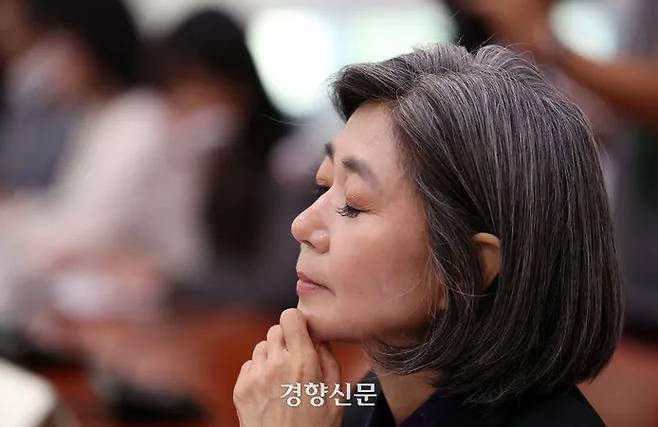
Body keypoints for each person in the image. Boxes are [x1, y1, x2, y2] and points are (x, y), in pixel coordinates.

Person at [232, 44, 623, 426]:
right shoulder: (364, 398)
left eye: (353, 204)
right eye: (322, 187)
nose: (301, 226)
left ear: (465, 267)